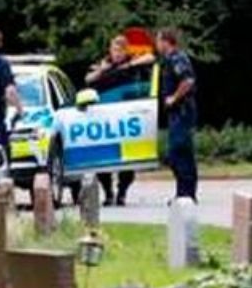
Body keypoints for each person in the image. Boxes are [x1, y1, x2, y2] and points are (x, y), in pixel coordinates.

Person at [85, 35, 154, 206]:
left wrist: (129, 65)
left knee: (127, 160)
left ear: (126, 51)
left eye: (119, 50)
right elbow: (88, 79)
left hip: (127, 118)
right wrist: (102, 70)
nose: (116, 54)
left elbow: (151, 57)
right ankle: (108, 192)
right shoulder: (104, 64)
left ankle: (122, 192)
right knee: (103, 159)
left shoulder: (132, 62)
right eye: (113, 50)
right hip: (105, 118)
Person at [155, 27, 198, 200]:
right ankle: (183, 193)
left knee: (178, 153)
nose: (156, 45)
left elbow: (187, 81)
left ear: (166, 41)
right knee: (179, 154)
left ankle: (187, 193)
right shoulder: (167, 60)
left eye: (158, 41)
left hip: (182, 112)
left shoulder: (177, 58)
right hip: (176, 114)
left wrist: (173, 98)